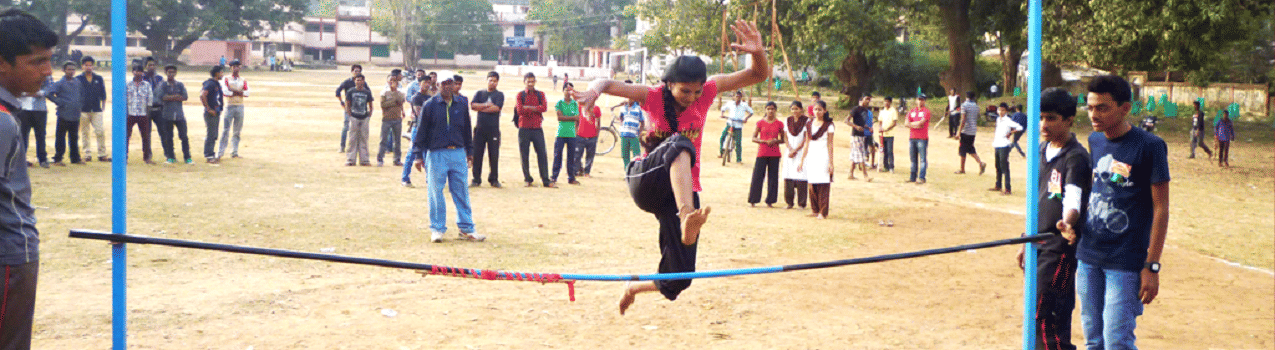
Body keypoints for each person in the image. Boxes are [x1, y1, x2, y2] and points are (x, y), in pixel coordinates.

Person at [573, 19, 767, 315]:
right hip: (646, 180)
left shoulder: (709, 91)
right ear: (669, 84)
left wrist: (757, 52)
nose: (691, 98)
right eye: (684, 91)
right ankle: (686, 214)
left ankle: (633, 287)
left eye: (697, 92)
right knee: (680, 143)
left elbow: (757, 74)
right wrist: (593, 91)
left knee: (680, 277)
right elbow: (607, 84)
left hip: (680, 192)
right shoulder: (651, 96)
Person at [1078, 75, 1170, 350]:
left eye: (1102, 108)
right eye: (1090, 107)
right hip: (1088, 256)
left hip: (1126, 260)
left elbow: (1161, 208)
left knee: (1117, 341)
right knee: (1093, 340)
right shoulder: (1095, 140)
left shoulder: (1150, 146)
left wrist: (1152, 266)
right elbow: (1100, 187)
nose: (1094, 115)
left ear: (1125, 108)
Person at [1015, 87, 1088, 350]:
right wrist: (1026, 240)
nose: (1043, 124)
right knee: (1036, 314)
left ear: (1069, 120)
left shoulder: (1075, 157)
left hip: (1058, 249)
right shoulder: (1041, 150)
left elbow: (1073, 199)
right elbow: (1037, 199)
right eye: (1040, 117)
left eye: (1051, 118)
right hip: (1037, 243)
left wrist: (1067, 222)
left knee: (1045, 316)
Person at [0, 10, 52, 348]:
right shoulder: (2, 121)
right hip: (9, 258)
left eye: (49, 60)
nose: (48, 71)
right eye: (37, 61)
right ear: (2, 63)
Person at [410, 71, 485, 243]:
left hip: (458, 153)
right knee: (435, 192)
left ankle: (466, 228)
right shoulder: (430, 105)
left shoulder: (461, 104)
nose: (447, 86)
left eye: (450, 83)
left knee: (461, 191)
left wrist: (470, 152)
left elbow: (467, 129)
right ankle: (437, 229)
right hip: (437, 153)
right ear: (437, 85)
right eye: (444, 83)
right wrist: (418, 155)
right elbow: (421, 131)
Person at [515, 73, 553, 187]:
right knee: (524, 155)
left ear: (535, 82)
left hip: (537, 128)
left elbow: (544, 108)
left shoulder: (540, 94)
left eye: (532, 81)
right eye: (528, 81)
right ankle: (527, 178)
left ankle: (545, 179)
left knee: (542, 154)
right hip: (524, 128)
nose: (530, 84)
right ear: (524, 82)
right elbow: (519, 110)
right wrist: (536, 108)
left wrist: (527, 107)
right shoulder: (520, 95)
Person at [800, 100, 834, 219]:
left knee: (823, 183)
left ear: (824, 111)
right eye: (815, 109)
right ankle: (815, 209)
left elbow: (830, 144)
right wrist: (802, 160)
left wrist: (831, 162)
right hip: (812, 155)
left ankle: (823, 212)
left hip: (823, 155)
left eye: (820, 109)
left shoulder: (829, 125)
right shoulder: (809, 124)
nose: (817, 112)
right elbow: (807, 143)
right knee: (812, 183)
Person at [469, 71, 504, 187]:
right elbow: (473, 106)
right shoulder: (480, 93)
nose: (492, 82)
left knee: (493, 155)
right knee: (477, 155)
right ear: (487, 80)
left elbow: (496, 108)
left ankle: (493, 179)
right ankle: (476, 179)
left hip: (493, 129)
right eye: (490, 80)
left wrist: (481, 108)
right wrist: (486, 105)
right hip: (480, 129)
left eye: (495, 81)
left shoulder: (499, 95)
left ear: (497, 82)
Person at [45, 61, 83, 165]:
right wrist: (58, 101)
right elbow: (48, 93)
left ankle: (75, 158)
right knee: (61, 137)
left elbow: (81, 94)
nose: (71, 71)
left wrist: (80, 104)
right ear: (63, 70)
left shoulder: (78, 82)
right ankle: (58, 158)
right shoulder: (59, 83)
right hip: (63, 114)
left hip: (75, 114)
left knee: (74, 137)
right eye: (69, 69)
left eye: (73, 69)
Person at [747, 101, 783, 207]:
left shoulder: (779, 124)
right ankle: (753, 199)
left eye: (772, 109)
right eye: (768, 109)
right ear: (765, 110)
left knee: (773, 178)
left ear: (775, 110)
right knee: (757, 176)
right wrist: (763, 141)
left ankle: (770, 200)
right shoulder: (760, 123)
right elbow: (753, 138)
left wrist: (776, 141)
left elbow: (783, 139)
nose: (770, 111)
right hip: (762, 152)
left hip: (775, 154)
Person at [155, 65, 191, 164]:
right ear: (165, 73)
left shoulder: (180, 85)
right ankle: (171, 157)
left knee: (184, 137)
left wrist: (170, 97)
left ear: (175, 73)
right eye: (169, 72)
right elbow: (162, 97)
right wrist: (176, 96)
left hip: (179, 115)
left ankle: (187, 157)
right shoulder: (162, 85)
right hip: (167, 115)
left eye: (173, 72)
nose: (171, 74)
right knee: (168, 137)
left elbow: (185, 97)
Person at [77, 56, 109, 162]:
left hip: (96, 109)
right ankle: (87, 154)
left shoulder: (98, 78)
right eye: (86, 65)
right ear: (82, 66)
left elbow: (103, 93)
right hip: (83, 109)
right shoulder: (78, 79)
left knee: (100, 131)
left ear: (93, 66)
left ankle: (102, 154)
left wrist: (103, 106)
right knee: (85, 133)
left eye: (90, 65)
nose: (88, 67)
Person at [217, 59, 248, 159]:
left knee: (237, 131)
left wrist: (233, 91)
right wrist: (239, 92)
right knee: (225, 130)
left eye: (238, 66)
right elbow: (226, 92)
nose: (236, 68)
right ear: (230, 68)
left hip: (240, 106)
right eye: (234, 67)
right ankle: (220, 152)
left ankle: (234, 152)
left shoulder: (243, 79)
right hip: (230, 106)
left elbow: (247, 93)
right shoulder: (226, 78)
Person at [550, 82, 580, 185]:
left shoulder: (575, 104)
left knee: (571, 157)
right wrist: (572, 118)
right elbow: (559, 118)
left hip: (571, 134)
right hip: (561, 133)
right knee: (557, 156)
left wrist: (568, 119)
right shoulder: (559, 103)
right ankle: (554, 176)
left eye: (570, 90)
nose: (568, 92)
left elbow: (577, 118)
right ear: (563, 91)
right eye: (566, 90)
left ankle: (571, 177)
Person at [989, 103, 1022, 195]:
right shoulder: (998, 119)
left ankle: (1008, 188)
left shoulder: (1008, 120)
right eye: (999, 110)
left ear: (1006, 111)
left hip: (1004, 145)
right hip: (997, 144)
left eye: (1003, 110)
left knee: (1004, 167)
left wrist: (1011, 132)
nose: (1001, 112)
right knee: (998, 166)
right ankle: (998, 185)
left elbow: (1019, 127)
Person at [17, 75, 50, 167]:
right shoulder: (21, 74)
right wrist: (29, 93)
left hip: (39, 109)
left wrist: (35, 93)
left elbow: (48, 89)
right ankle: (21, 160)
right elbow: (16, 89)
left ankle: (42, 159)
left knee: (41, 135)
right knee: (23, 135)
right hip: (24, 109)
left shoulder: (44, 75)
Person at [125, 64, 155, 164]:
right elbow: (125, 99)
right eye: (136, 71)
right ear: (132, 72)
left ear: (143, 73)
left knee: (146, 137)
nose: (137, 73)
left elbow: (150, 99)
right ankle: (124, 157)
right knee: (126, 136)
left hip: (143, 114)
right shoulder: (128, 84)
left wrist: (148, 113)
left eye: (140, 71)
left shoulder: (146, 85)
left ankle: (147, 157)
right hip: (130, 114)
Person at [612, 80, 645, 169]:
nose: (629, 99)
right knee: (625, 154)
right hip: (624, 134)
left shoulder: (637, 107)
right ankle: (627, 170)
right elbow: (621, 117)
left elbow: (642, 121)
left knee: (636, 154)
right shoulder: (623, 108)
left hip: (634, 134)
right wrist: (622, 125)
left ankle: (636, 170)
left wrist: (639, 132)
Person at [782, 101, 809, 209]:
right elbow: (785, 136)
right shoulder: (787, 120)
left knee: (801, 176)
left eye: (797, 108)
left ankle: (801, 203)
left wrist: (796, 150)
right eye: (792, 109)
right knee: (788, 176)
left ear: (801, 109)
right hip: (789, 152)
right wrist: (790, 149)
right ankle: (789, 202)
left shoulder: (806, 121)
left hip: (801, 152)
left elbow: (806, 138)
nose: (794, 111)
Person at [343, 74, 374, 166]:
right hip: (354, 117)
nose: (359, 82)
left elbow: (370, 105)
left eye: (360, 80)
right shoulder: (351, 91)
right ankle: (350, 160)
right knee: (352, 139)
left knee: (364, 139)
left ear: (363, 81)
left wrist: (369, 115)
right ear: (354, 81)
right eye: (357, 80)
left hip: (364, 117)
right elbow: (348, 104)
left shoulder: (367, 92)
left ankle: (364, 160)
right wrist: (350, 115)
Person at [955, 91, 987, 175]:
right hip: (973, 131)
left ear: (966, 97)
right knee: (970, 148)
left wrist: (959, 132)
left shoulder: (964, 105)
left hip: (966, 130)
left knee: (962, 149)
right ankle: (980, 163)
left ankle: (962, 169)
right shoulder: (976, 106)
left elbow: (963, 120)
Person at [377, 78, 406, 167]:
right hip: (387, 118)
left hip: (397, 118)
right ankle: (380, 159)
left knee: (397, 141)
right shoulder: (384, 92)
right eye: (391, 81)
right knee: (383, 140)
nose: (392, 83)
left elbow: (401, 102)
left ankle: (397, 159)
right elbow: (383, 104)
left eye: (394, 81)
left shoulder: (400, 92)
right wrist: (393, 102)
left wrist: (395, 94)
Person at [718, 90, 752, 163]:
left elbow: (751, 112)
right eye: (736, 96)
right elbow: (723, 108)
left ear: (741, 97)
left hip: (738, 125)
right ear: (734, 97)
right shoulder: (730, 103)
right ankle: (721, 153)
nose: (737, 98)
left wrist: (746, 118)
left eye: (739, 96)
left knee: (738, 143)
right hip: (730, 123)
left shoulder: (744, 105)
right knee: (722, 137)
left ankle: (739, 159)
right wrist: (722, 114)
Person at [335, 65, 362, 153]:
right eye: (355, 71)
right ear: (352, 72)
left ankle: (356, 147)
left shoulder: (362, 83)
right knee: (346, 126)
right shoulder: (347, 82)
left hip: (359, 108)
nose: (357, 73)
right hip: (349, 107)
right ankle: (342, 146)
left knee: (358, 128)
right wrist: (342, 102)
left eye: (359, 71)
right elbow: (338, 91)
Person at [200, 65, 224, 163]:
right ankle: (209, 155)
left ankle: (211, 154)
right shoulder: (210, 84)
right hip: (211, 113)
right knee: (211, 134)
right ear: (217, 73)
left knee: (214, 134)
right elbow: (202, 95)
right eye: (221, 72)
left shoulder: (216, 84)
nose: (222, 74)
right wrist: (208, 108)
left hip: (216, 112)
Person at [844, 95, 872, 181]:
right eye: (866, 99)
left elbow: (863, 123)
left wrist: (868, 128)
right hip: (856, 135)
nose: (868, 101)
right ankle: (865, 175)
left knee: (855, 155)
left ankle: (850, 173)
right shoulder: (856, 109)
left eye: (869, 99)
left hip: (862, 135)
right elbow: (846, 120)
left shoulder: (866, 111)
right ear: (861, 100)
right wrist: (856, 126)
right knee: (861, 154)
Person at [906, 94, 932, 184]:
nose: (920, 101)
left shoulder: (926, 112)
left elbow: (921, 123)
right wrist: (915, 124)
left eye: (922, 100)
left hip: (922, 138)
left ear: (924, 101)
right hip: (912, 137)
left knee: (922, 159)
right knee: (913, 159)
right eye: (919, 99)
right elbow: (906, 123)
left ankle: (922, 177)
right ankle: (912, 177)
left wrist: (911, 124)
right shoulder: (912, 111)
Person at [574, 102, 601, 177]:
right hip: (580, 135)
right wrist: (576, 132)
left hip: (592, 136)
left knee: (590, 156)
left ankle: (587, 172)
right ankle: (576, 171)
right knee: (577, 155)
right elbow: (576, 120)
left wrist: (596, 135)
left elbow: (598, 123)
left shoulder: (596, 108)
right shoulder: (580, 107)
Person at [877, 97, 899, 173]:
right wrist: (880, 128)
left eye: (887, 101)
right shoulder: (882, 111)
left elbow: (894, 123)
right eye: (885, 101)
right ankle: (885, 166)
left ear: (890, 102)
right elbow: (880, 121)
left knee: (890, 151)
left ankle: (891, 167)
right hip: (882, 134)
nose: (886, 103)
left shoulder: (893, 111)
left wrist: (887, 129)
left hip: (890, 135)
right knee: (884, 151)